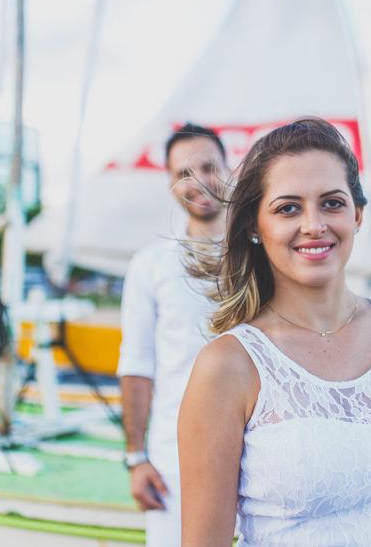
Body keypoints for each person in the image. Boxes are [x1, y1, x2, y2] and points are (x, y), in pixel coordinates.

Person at [178, 118, 371, 546]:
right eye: (288, 208)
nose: (313, 224)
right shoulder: (228, 366)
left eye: (332, 203)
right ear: (254, 226)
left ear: (357, 215)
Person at [117, 123, 228, 546]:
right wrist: (136, 458)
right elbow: (136, 364)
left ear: (228, 170)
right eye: (184, 173)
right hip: (175, 455)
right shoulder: (150, 265)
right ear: (170, 183)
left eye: (209, 167)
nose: (198, 181)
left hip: (260, 448)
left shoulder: (264, 254)